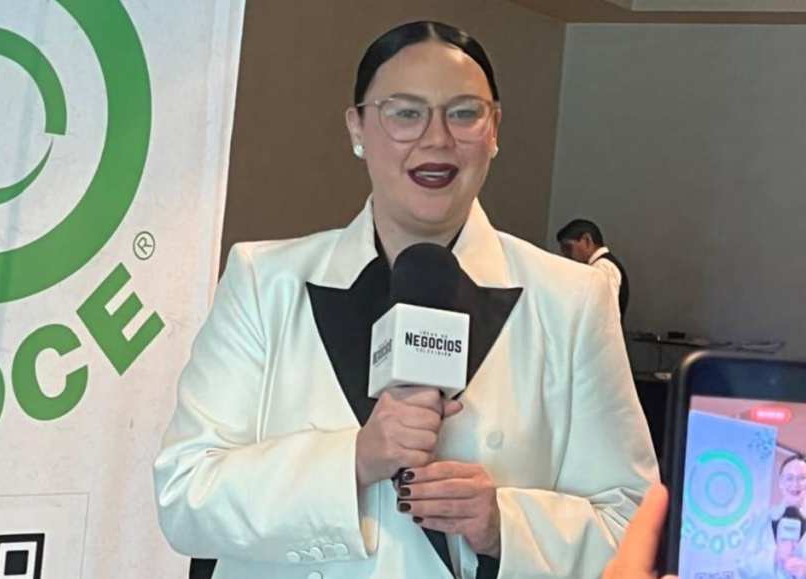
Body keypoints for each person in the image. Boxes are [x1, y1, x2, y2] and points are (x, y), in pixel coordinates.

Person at [154, 20, 657, 579]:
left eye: (464, 113)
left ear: (494, 130)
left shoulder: (572, 300)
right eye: (405, 112)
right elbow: (184, 496)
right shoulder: (263, 280)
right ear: (358, 128)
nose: (437, 138)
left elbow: (631, 522)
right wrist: (356, 459)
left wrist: (504, 525)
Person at [557, 219, 630, 320]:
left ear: (587, 240)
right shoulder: (603, 265)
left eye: (568, 247)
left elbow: (604, 314)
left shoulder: (603, 267)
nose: (565, 255)